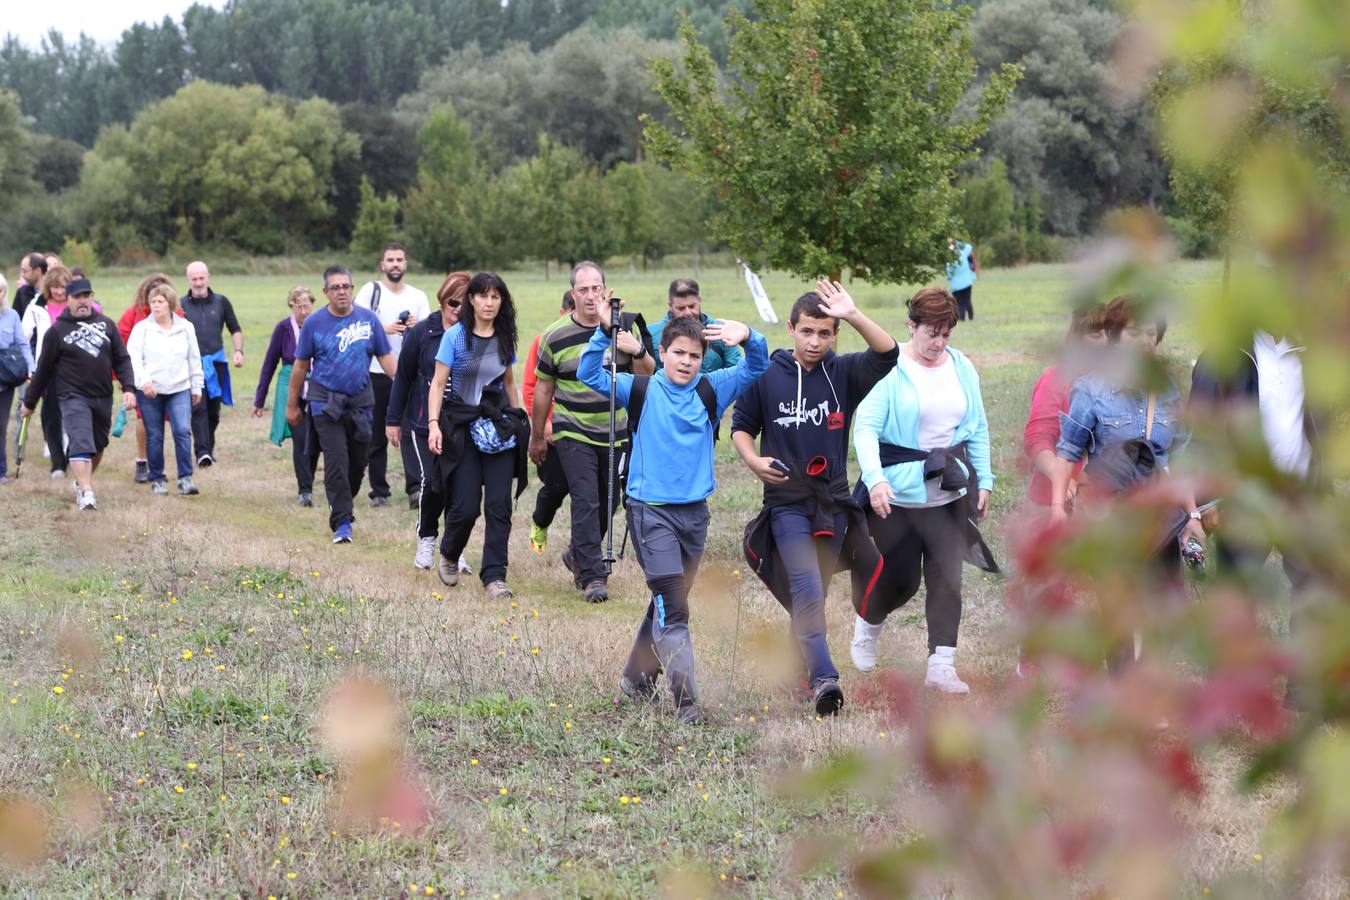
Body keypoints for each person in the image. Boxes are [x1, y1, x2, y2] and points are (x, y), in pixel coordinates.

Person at [582, 311, 768, 723]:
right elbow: (588, 374)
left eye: (695, 355)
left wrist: (749, 336)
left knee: (668, 600)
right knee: (675, 607)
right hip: (650, 514)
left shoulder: (711, 389)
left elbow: (758, 365)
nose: (686, 361)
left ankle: (636, 677)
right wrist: (602, 334)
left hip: (695, 515)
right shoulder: (640, 389)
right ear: (661, 353)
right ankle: (686, 701)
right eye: (678, 353)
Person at [732, 281, 899, 716]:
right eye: (807, 332)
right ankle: (826, 677)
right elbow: (742, 425)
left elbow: (888, 354)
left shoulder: (842, 373)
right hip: (786, 503)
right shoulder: (768, 374)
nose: (815, 342)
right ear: (791, 328)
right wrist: (753, 460)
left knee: (813, 595)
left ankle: (796, 675)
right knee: (806, 585)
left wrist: (853, 314)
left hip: (833, 505)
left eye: (825, 333)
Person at [849, 288, 997, 693]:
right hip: (898, 496)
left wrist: (983, 479)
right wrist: (875, 479)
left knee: (948, 579)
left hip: (948, 491)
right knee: (901, 581)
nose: (939, 343)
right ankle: (868, 621)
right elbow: (865, 428)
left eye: (946, 334)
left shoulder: (962, 367)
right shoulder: (889, 367)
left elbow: (978, 428)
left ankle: (942, 664)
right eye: (932, 333)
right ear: (910, 326)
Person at [1050, 297, 1203, 669]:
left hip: (1161, 518)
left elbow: (1177, 461)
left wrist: (1192, 513)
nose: (1144, 341)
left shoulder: (1167, 390)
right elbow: (1068, 451)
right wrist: (1057, 509)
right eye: (1135, 332)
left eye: (1151, 333)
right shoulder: (1091, 390)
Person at [528, 261, 656, 604]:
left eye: (595, 288)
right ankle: (593, 576)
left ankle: (577, 555)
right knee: (585, 499)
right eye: (582, 289)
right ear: (573, 293)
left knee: (607, 502)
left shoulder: (625, 328)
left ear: (605, 290)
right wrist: (537, 435)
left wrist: (636, 349)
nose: (589, 295)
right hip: (574, 430)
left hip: (615, 430)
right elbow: (543, 390)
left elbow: (649, 374)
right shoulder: (554, 336)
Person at [425, 272, 527, 598]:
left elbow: (509, 382)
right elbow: (438, 384)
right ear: (471, 299)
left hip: (496, 426)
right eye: (482, 296)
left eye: (495, 297)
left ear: (502, 302)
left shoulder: (505, 337)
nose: (489, 303)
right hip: (461, 427)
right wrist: (433, 424)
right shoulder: (455, 337)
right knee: (466, 506)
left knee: (499, 506)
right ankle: (450, 553)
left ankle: (495, 577)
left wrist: (519, 419)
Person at [285, 266, 395, 544]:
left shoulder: (369, 320)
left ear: (352, 288)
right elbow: (300, 367)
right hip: (325, 404)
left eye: (346, 286)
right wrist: (292, 405)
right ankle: (343, 523)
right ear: (325, 292)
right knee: (336, 462)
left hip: (360, 403)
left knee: (358, 464)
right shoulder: (314, 323)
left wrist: (411, 388)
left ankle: (343, 500)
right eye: (335, 288)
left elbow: (386, 360)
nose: (342, 291)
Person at [20, 277, 136, 510]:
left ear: (92, 297)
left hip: (102, 396)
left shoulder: (107, 325)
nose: (82, 301)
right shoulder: (57, 331)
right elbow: (43, 369)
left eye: (86, 296)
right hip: (72, 397)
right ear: (68, 300)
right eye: (77, 297)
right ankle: (87, 491)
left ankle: (81, 482)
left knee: (98, 444)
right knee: (80, 442)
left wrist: (129, 388)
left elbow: (122, 359)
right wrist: (30, 401)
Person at [387, 271, 474, 575]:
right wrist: (392, 420)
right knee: (433, 483)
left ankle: (454, 550)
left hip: (460, 423)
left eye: (465, 304)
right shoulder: (422, 333)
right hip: (423, 422)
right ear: (442, 300)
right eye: (453, 302)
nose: (457, 309)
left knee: (457, 486)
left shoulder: (475, 334)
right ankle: (426, 537)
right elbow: (404, 378)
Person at [354, 242, 431, 509]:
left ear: (406, 264)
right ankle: (379, 491)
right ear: (382, 265)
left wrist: (414, 327)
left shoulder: (418, 296)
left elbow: (429, 333)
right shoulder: (369, 292)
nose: (395, 264)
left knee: (411, 432)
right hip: (376, 373)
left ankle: (415, 490)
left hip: (409, 375)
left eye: (399, 259)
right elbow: (358, 325)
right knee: (376, 435)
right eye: (390, 260)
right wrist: (385, 329)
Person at [1022, 303, 1108, 516]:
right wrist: (1059, 475)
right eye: (1096, 336)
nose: (1106, 343)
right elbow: (1037, 439)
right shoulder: (1056, 380)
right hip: (1054, 505)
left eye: (1111, 335)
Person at [127, 284, 203, 496]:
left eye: (160, 302)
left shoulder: (186, 327)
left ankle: (185, 478)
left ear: (170, 304)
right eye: (153, 302)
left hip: (180, 387)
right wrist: (144, 382)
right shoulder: (142, 328)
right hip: (151, 390)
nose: (156, 306)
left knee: (181, 431)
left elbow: (194, 358)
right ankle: (158, 479)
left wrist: (196, 385)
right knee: (155, 434)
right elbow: (133, 358)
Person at [255, 287, 321, 506]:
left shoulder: (321, 324)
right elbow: (270, 363)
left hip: (319, 387)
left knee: (316, 440)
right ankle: (305, 490)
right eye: (298, 307)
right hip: (291, 389)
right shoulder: (283, 328)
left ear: (313, 304)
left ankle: (309, 479)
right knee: (301, 439)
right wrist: (259, 399)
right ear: (291, 307)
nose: (303, 311)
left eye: (306, 306)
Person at [522, 290, 576, 554]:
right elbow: (532, 389)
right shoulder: (544, 340)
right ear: (562, 313)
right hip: (554, 433)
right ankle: (540, 522)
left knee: (587, 493)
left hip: (584, 430)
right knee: (556, 487)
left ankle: (580, 547)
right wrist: (543, 428)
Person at [181, 260, 244, 467]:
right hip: (191, 365)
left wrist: (238, 351)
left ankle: (208, 448)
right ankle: (202, 453)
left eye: (201, 278)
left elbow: (234, 328)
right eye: (194, 279)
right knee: (198, 407)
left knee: (213, 412)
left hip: (216, 363)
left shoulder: (221, 302)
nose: (198, 283)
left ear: (208, 277)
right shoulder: (181, 305)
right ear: (188, 280)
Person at [119, 273, 176, 483]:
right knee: (145, 420)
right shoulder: (133, 315)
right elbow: (121, 345)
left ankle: (157, 465)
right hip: (142, 378)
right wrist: (123, 378)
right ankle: (142, 462)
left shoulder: (177, 315)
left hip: (170, 379)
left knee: (167, 424)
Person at [20, 264, 74, 477]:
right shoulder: (36, 307)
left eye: (63, 287)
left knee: (74, 413)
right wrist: (30, 367)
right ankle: (58, 462)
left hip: (73, 368)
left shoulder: (75, 306)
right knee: (51, 416)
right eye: (55, 287)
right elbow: (24, 338)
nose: (60, 292)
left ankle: (73, 455)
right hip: (47, 368)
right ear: (48, 287)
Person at [648, 278, 744, 375]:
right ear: (670, 305)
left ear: (699, 300)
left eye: (692, 306)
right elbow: (644, 374)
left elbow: (735, 371)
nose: (687, 312)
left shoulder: (720, 331)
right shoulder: (650, 335)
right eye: (681, 308)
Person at [0, 274, 36, 483]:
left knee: (0, 427)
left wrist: (30, 369)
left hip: (4, 380)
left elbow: (23, 344)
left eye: (1, 291)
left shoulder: (12, 316)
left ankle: (1, 471)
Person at [945, 238, 979, 321]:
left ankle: (962, 318)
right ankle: (971, 317)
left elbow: (949, 274)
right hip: (967, 282)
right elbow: (969, 246)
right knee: (967, 300)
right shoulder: (963, 254)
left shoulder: (950, 261)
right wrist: (957, 242)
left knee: (959, 302)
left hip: (956, 285)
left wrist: (949, 278)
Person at [13, 253, 45, 320]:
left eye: (25, 271)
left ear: (38, 270)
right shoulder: (22, 292)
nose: (23, 275)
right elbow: (16, 320)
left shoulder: (53, 292)